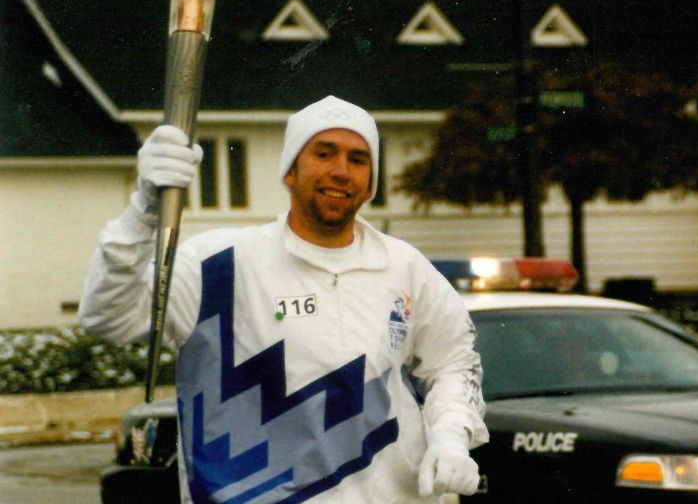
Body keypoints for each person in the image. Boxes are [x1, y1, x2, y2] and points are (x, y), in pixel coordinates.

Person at [79, 95, 488, 503]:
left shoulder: (404, 268)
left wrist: (451, 435)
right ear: (290, 171)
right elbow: (109, 316)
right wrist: (143, 210)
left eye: (358, 159)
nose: (341, 171)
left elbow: (453, 361)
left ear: (370, 182)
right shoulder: (219, 266)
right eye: (324, 153)